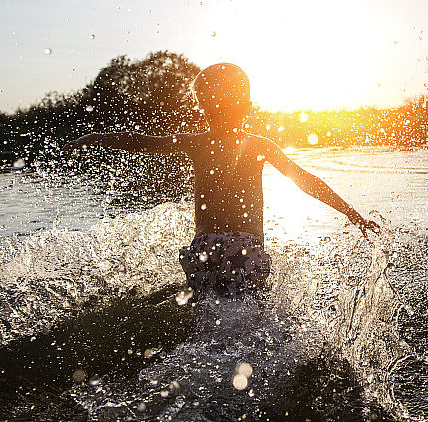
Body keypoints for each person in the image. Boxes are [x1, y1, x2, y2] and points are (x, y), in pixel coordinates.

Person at [62, 63, 379, 297]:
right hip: (245, 248)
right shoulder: (260, 145)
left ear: (201, 109)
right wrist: (352, 213)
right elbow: (305, 181)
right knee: (252, 313)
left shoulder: (194, 142)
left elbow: (141, 141)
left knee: (205, 313)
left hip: (203, 249)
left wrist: (93, 137)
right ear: (249, 107)